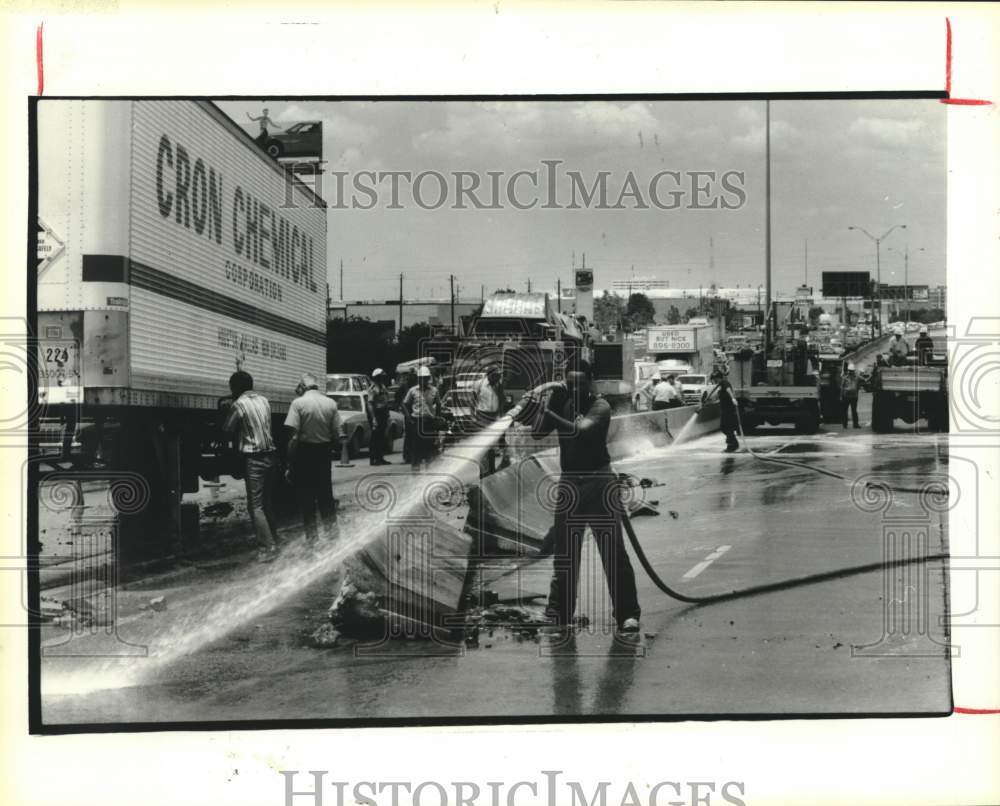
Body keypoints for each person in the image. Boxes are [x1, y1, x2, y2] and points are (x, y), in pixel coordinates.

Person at [522, 359, 641, 634]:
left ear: (590, 382)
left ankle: (627, 614)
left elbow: (582, 431)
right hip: (569, 484)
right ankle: (558, 613)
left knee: (613, 553)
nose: (575, 389)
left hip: (599, 483)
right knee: (565, 555)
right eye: (570, 383)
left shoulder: (600, 406)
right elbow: (538, 433)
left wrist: (549, 413)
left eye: (580, 383)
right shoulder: (561, 402)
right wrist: (549, 405)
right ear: (564, 381)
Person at [222, 370, 280, 562]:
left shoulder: (239, 404)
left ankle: (267, 548)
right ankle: (275, 541)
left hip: (254, 458)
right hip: (271, 456)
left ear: (236, 387)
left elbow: (227, 429)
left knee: (255, 506)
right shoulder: (265, 401)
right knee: (267, 502)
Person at [283, 373, 342, 544]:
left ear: (302, 386)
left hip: (305, 453)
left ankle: (312, 539)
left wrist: (289, 462)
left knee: (307, 498)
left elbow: (293, 437)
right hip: (323, 453)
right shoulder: (331, 403)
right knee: (326, 495)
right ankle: (332, 537)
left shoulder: (298, 403)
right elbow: (337, 435)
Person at [472, 364, 508, 476]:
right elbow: (473, 400)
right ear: (490, 375)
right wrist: (473, 416)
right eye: (496, 376)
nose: (498, 378)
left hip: (494, 416)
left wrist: (501, 417)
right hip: (482, 416)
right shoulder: (479, 384)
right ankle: (482, 472)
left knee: (491, 445)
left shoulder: (499, 385)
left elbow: (502, 400)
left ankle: (491, 470)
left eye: (499, 376)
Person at [403, 365, 441, 471]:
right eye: (421, 378)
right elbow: (405, 404)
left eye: (425, 378)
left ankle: (430, 468)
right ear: (418, 379)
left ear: (428, 378)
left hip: (429, 421)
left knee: (430, 446)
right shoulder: (412, 391)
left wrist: (438, 418)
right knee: (416, 446)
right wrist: (409, 418)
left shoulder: (434, 390)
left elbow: (438, 404)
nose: (423, 380)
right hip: (417, 421)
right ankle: (416, 467)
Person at [706, 368, 740, 452]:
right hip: (724, 410)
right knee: (725, 427)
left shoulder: (725, 383)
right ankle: (733, 443)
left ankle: (732, 445)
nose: (714, 381)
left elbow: (729, 390)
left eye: (715, 379)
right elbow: (720, 397)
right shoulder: (720, 385)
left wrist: (733, 399)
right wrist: (710, 401)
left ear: (718, 377)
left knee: (726, 427)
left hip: (729, 410)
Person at [368, 368, 392, 466]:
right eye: (381, 377)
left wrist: (387, 413)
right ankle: (373, 459)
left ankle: (380, 457)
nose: (383, 378)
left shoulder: (382, 387)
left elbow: (386, 400)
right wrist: (373, 418)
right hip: (376, 413)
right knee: (375, 437)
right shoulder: (373, 389)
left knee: (382, 437)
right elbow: (370, 404)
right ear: (377, 377)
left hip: (383, 413)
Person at [395, 368, 417, 464]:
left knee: (415, 436)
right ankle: (407, 457)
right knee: (409, 436)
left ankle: (415, 456)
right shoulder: (405, 387)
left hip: (417, 413)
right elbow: (399, 400)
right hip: (408, 412)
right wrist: (406, 413)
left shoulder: (417, 387)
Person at [840, 362, 861, 429]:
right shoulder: (845, 377)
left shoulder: (857, 377)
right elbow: (842, 387)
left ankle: (855, 424)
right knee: (844, 411)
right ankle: (845, 424)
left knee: (854, 411)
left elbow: (858, 386)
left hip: (854, 396)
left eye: (852, 371)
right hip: (846, 396)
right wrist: (841, 395)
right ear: (848, 371)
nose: (851, 372)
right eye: (850, 371)